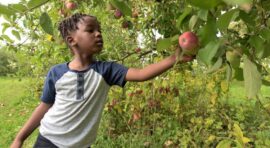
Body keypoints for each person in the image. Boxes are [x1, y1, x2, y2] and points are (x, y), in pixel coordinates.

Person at [11, 13, 192, 148]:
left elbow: (141, 73)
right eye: (91, 30)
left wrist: (172, 58)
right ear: (71, 40)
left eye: (99, 30)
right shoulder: (56, 73)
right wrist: (20, 138)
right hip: (49, 140)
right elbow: (44, 107)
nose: (98, 34)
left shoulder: (106, 70)